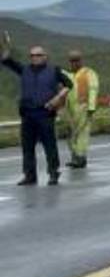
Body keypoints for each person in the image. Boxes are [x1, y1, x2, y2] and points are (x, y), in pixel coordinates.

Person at [1, 32, 71, 186]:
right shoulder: (24, 69)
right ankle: (30, 176)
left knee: (49, 146)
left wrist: (58, 98)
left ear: (45, 56)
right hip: (27, 114)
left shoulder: (54, 70)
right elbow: (7, 60)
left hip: (45, 113)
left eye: (38, 55)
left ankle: (53, 174)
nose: (35, 57)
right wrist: (5, 47)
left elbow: (69, 85)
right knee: (27, 147)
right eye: (32, 55)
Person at [64, 50, 99, 169]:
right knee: (71, 135)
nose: (74, 63)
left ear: (81, 60)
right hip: (70, 110)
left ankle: (80, 158)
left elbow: (93, 89)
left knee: (82, 134)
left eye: (77, 60)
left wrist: (91, 106)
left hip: (83, 108)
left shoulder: (88, 73)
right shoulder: (68, 75)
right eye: (72, 61)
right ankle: (75, 156)